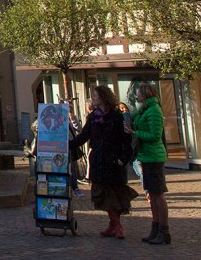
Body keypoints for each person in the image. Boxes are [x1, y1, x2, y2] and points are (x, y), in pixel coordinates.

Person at [71, 85, 139, 239]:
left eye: (95, 96)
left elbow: (126, 140)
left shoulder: (116, 116)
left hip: (113, 161)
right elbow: (84, 136)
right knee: (104, 195)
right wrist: (66, 145)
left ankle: (116, 226)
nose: (93, 99)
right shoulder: (93, 117)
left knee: (114, 195)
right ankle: (114, 225)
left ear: (103, 97)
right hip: (99, 161)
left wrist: (122, 159)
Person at [131, 82, 171, 245]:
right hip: (146, 156)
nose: (137, 96)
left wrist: (135, 132)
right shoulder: (144, 110)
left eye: (139, 93)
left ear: (146, 94)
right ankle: (155, 228)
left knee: (158, 195)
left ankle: (163, 230)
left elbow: (155, 135)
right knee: (151, 195)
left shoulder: (153, 110)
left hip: (154, 157)